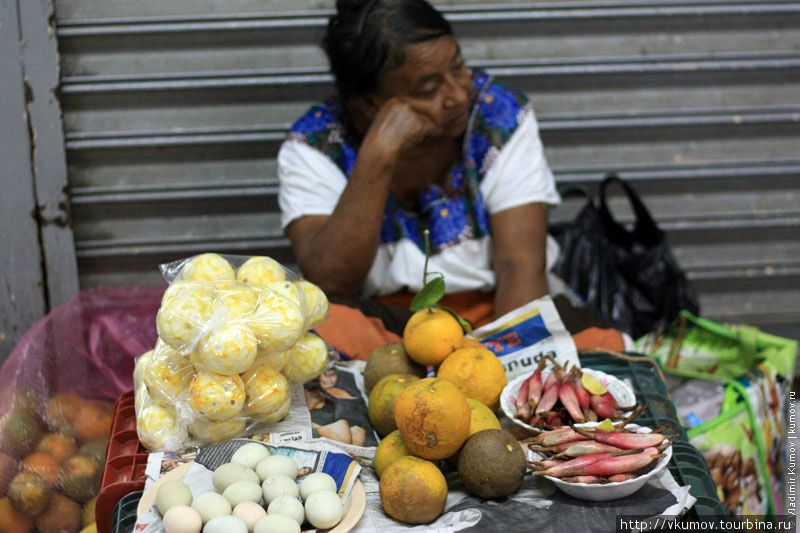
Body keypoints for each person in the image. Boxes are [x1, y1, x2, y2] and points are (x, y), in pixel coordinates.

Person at [277, 0, 561, 359]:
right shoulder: (315, 144)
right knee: (318, 332)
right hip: (380, 328)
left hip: (492, 316)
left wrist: (498, 367)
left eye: (459, 67)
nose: (458, 95)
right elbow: (331, 283)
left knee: (598, 346)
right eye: (429, 89)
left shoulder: (497, 117)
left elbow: (520, 267)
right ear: (369, 104)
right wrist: (379, 154)